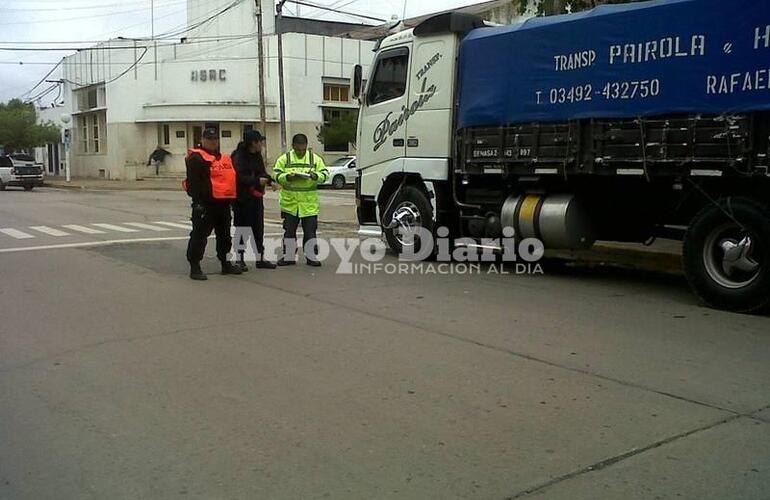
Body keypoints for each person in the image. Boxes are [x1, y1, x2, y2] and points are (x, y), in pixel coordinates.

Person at [184, 127, 242, 280]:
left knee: (224, 236)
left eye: (215, 139)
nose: (212, 142)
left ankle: (225, 263)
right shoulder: (196, 158)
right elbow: (193, 183)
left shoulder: (224, 158)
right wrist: (198, 202)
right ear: (202, 140)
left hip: (223, 204)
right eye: (209, 139)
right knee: (199, 236)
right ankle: (195, 266)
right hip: (205, 205)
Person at [273, 134, 329, 266]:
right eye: (298, 149)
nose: (301, 152)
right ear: (293, 146)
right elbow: (276, 174)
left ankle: (311, 257)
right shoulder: (284, 159)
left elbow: (325, 174)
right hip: (290, 203)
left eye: (303, 149)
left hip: (308, 203)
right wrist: (288, 177)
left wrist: (316, 176)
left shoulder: (315, 159)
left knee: (310, 232)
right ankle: (289, 256)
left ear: (306, 146)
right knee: (289, 231)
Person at [232, 129, 278, 272]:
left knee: (258, 229)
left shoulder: (257, 156)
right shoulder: (238, 156)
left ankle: (260, 257)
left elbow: (262, 172)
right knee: (242, 229)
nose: (262, 145)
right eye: (260, 142)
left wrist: (270, 181)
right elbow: (240, 177)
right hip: (242, 199)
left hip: (256, 198)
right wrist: (257, 180)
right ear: (253, 143)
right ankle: (239, 258)